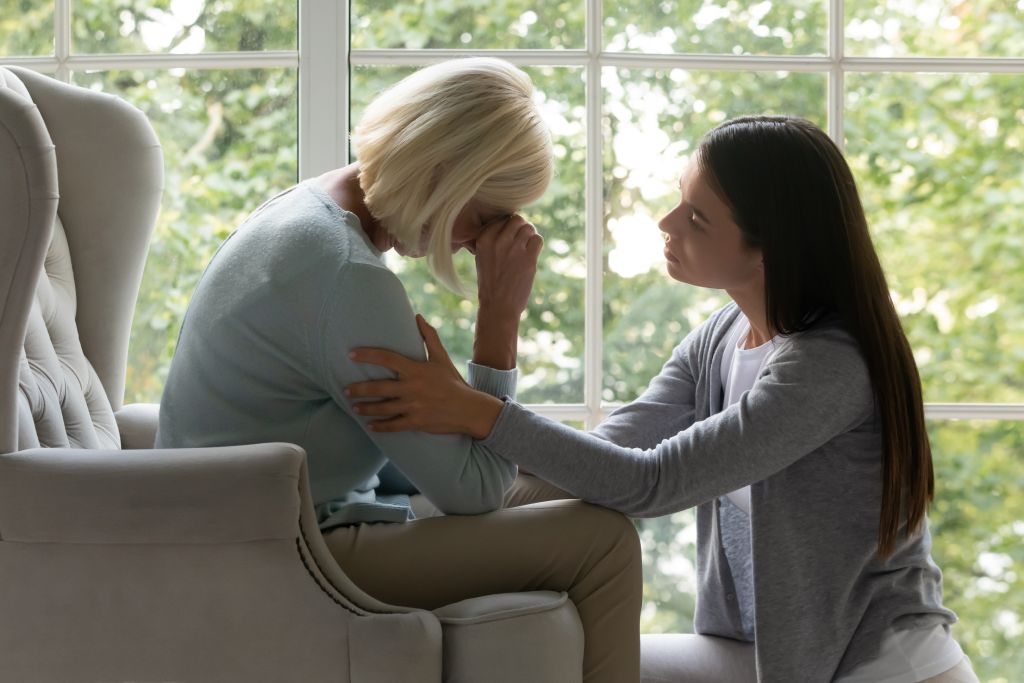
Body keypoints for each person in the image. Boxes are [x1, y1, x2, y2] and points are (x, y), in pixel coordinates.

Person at [345, 115, 979, 683]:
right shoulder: (723, 336)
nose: (667, 222)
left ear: (770, 249)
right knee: (571, 666)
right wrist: (412, 505)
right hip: (768, 656)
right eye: (681, 199)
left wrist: (479, 412)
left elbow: (653, 483)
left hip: (881, 664)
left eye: (697, 217)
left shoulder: (828, 368)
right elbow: (603, 455)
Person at [155, 58, 642, 682]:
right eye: (487, 216)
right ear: (444, 173)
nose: (479, 241)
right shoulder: (348, 276)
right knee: (603, 540)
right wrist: (500, 315)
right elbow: (477, 492)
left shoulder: (307, 210)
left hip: (263, 525)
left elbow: (450, 468)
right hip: (286, 550)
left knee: (564, 488)